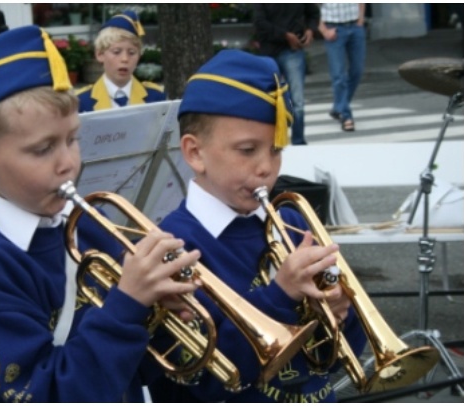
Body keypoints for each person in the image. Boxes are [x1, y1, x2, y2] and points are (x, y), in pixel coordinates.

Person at [0, 25, 201, 402]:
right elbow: (48, 393)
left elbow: (132, 368)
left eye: (73, 139)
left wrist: (157, 314)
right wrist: (128, 305)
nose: (69, 163)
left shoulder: (85, 226)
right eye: (43, 149)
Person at [147, 50, 367, 402]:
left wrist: (340, 314)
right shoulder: (173, 249)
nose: (266, 167)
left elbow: (341, 358)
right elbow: (197, 383)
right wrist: (280, 297)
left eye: (276, 150)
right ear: (195, 153)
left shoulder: (292, 224)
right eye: (248, 150)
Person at [253, 4, 321, 146]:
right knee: (269, 99)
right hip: (270, 50)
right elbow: (260, 22)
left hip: (292, 49)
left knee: (297, 99)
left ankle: (298, 141)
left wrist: (310, 30)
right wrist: (285, 35)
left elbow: (313, 13)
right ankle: (270, 140)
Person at [76, 10, 166, 113]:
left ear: (139, 56)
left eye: (132, 53)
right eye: (116, 52)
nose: (125, 59)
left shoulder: (155, 97)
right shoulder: (82, 101)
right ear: (100, 54)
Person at [318, 3, 366, 132]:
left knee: (357, 71)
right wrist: (324, 30)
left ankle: (338, 107)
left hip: (355, 25)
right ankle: (346, 116)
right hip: (333, 27)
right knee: (338, 75)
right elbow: (312, 7)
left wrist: (361, 20)